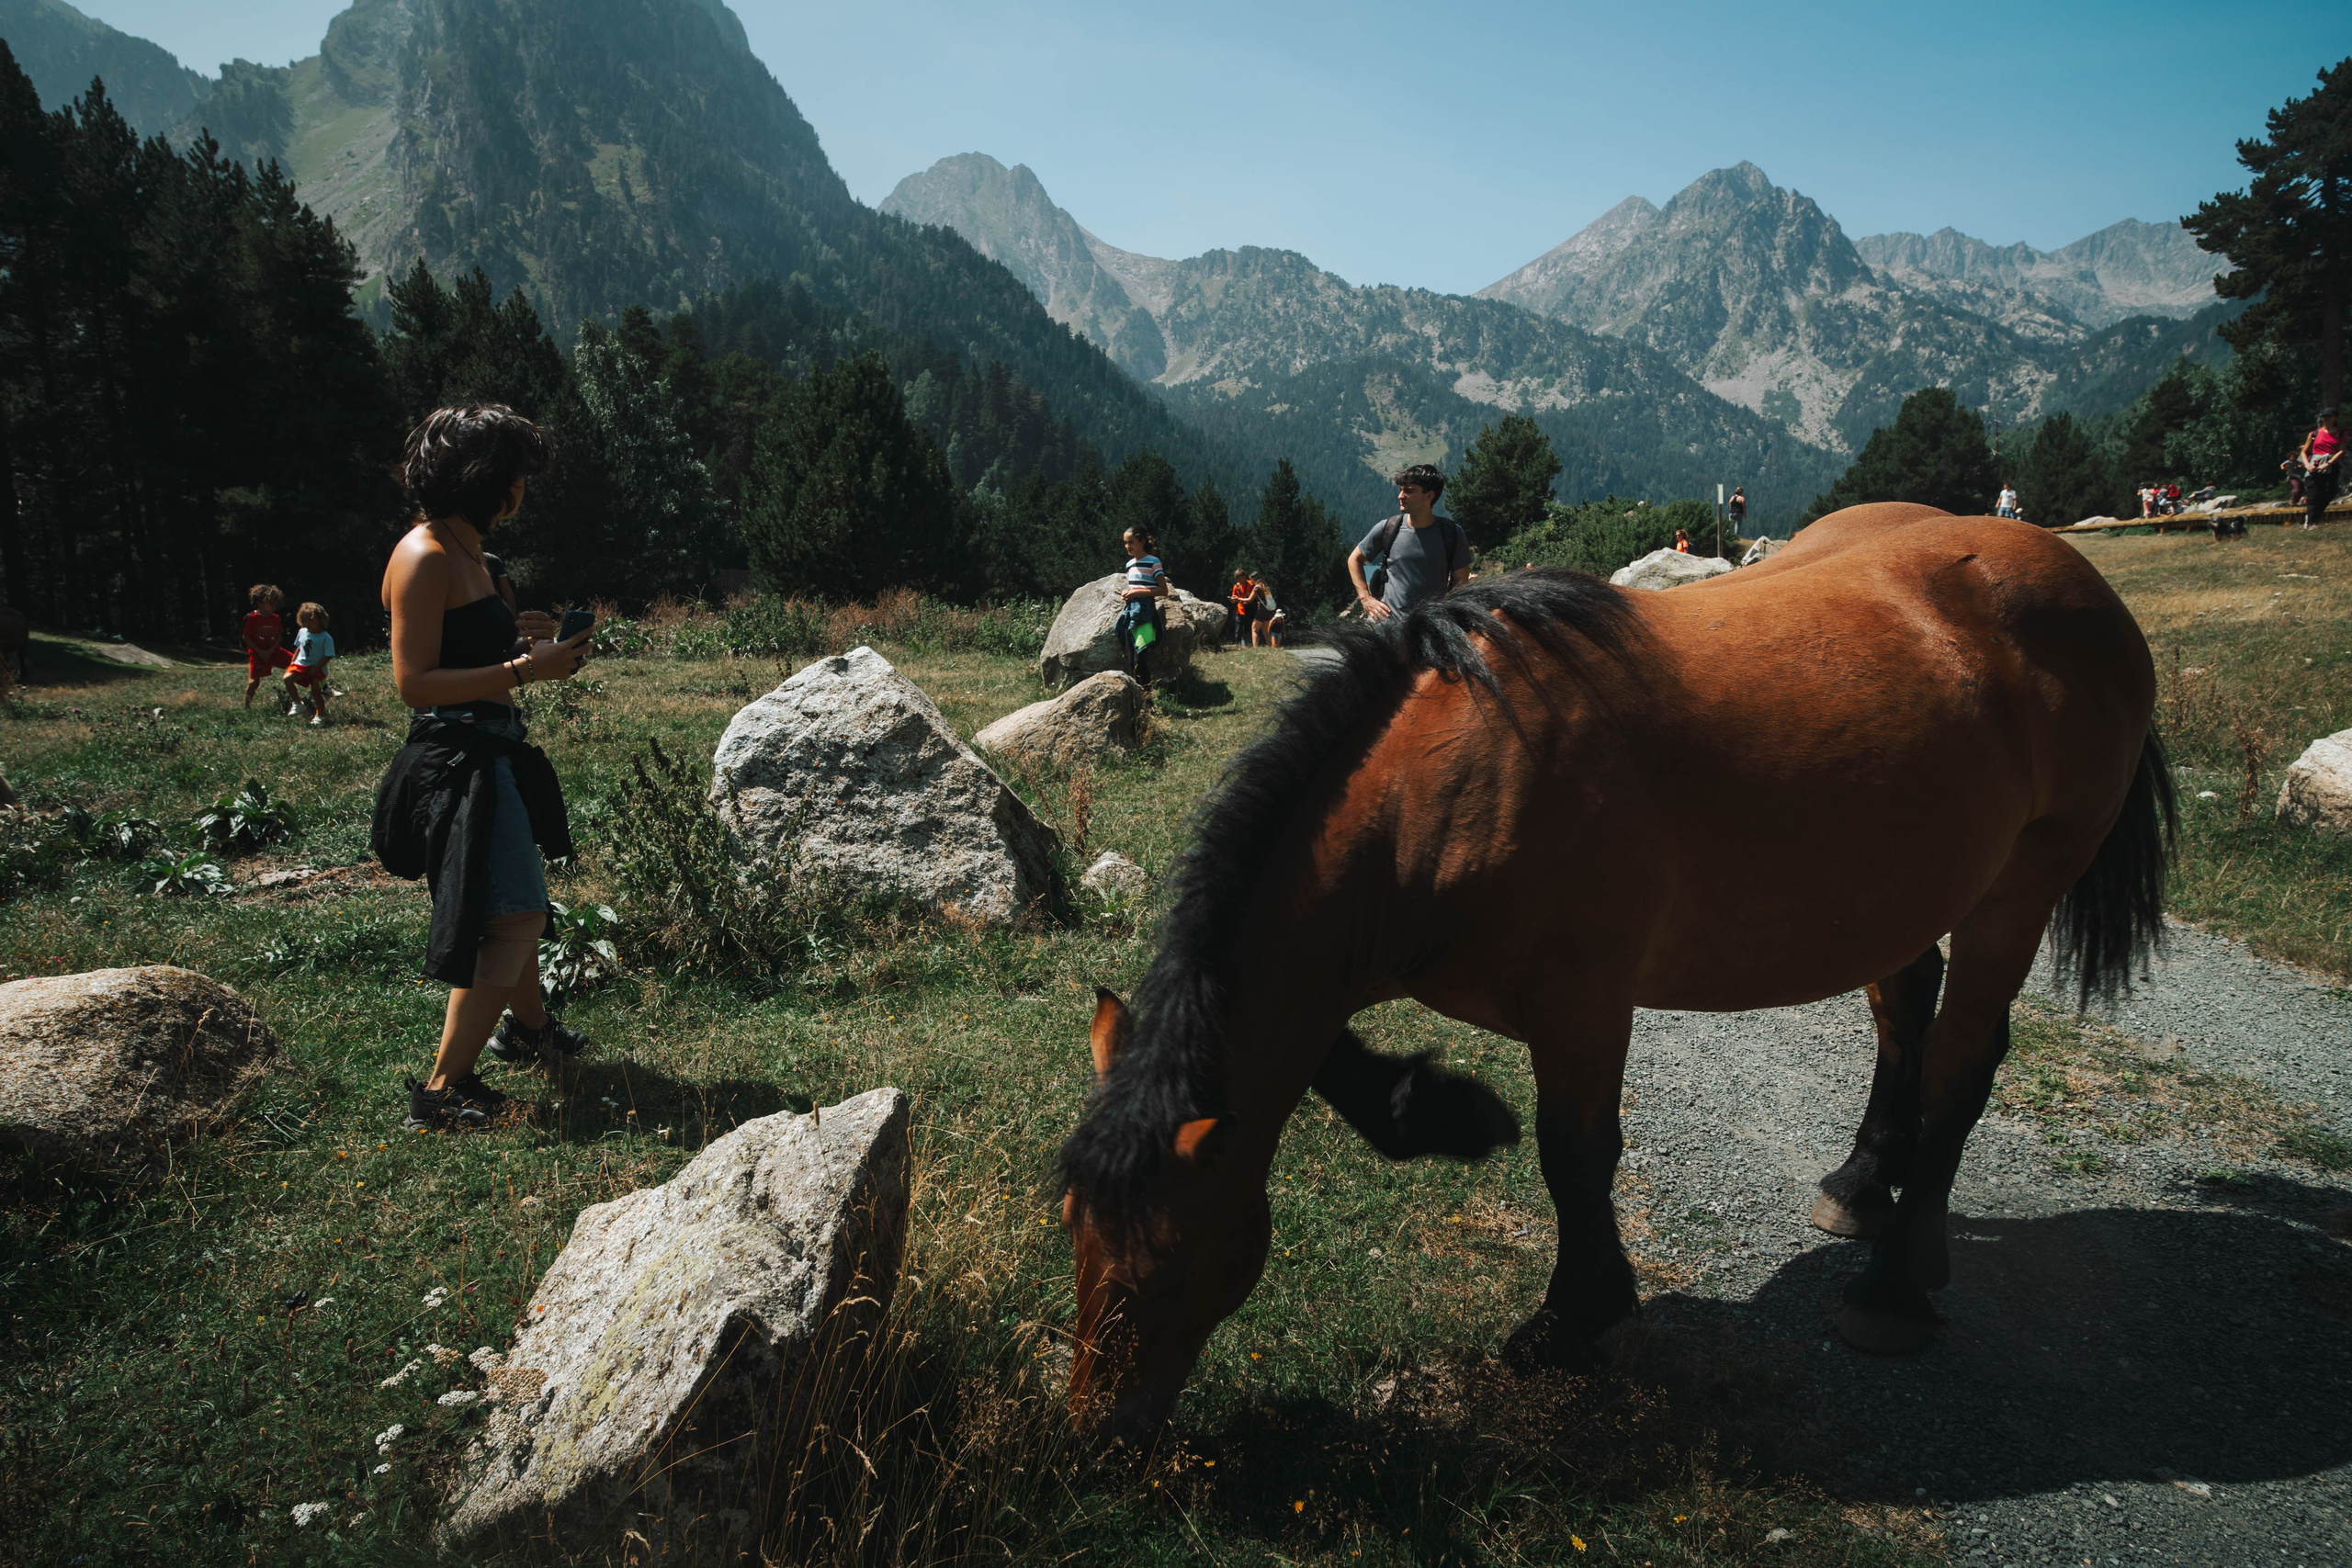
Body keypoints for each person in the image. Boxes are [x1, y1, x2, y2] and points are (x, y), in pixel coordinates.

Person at [372, 404, 594, 1134]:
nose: (522, 488)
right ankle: (442, 1091)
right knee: (518, 912)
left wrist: (527, 642)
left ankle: (527, 1031)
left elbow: (469, 649)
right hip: (456, 760)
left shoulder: (474, 557)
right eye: (516, 474)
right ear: (487, 480)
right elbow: (415, 682)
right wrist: (525, 671)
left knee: (509, 900)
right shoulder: (425, 555)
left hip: (493, 748)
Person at [1348, 464, 1470, 621]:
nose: (1401, 496)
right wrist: (1366, 599)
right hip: (1388, 626)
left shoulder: (1451, 533)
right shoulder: (1388, 528)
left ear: (1429, 496)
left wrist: (1449, 610)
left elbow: (1461, 582)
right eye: (1401, 489)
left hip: (1432, 628)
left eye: (1409, 491)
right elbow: (1354, 560)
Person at [1118, 526, 1170, 685]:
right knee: (1130, 659)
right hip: (1131, 612)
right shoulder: (1129, 564)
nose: (1128, 546)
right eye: (1125, 543)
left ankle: (1147, 701)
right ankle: (1134, 701)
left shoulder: (1153, 562)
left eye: (1131, 542)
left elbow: (1163, 590)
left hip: (1145, 614)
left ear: (1141, 541)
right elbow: (1133, 586)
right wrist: (1127, 593)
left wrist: (1137, 592)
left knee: (1141, 658)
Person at [280, 603, 336, 727]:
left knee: (316, 691)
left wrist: (317, 668)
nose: (307, 624)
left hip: (318, 668)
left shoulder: (326, 637)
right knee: (287, 678)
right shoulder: (302, 632)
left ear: (321, 619)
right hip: (301, 665)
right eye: (304, 620)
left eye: (310, 620)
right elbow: (299, 647)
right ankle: (298, 703)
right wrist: (293, 661)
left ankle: (320, 715)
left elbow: (328, 655)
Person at [242, 584, 292, 708]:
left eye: (275, 604)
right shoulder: (251, 618)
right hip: (257, 654)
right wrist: (260, 651)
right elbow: (246, 637)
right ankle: (247, 706)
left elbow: (279, 637)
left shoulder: (275, 618)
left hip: (274, 652)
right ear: (259, 602)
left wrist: (270, 651)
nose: (274, 607)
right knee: (254, 682)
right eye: (271, 604)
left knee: (296, 664)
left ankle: (299, 699)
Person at [2300, 407, 2343, 530]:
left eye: (2329, 416)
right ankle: (2311, 523)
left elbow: (2341, 451)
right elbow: (2303, 452)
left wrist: (2328, 463)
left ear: (2335, 418)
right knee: (2314, 494)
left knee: (2330, 492)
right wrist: (2307, 465)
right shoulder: (2314, 434)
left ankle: (2313, 517)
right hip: (2315, 465)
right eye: (2324, 417)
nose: (2326, 419)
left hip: (2331, 465)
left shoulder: (2340, 434)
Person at [482, 550, 518, 616]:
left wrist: (514, 620)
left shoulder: (492, 561)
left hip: (492, 611)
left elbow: (506, 590)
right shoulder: (459, 563)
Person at [1228, 570, 1254, 645]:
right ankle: (1237, 645)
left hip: (1249, 609)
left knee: (1248, 629)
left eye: (1240, 579)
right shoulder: (1236, 587)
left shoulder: (1250, 584)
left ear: (1244, 577)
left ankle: (1249, 645)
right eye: (1237, 579)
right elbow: (1234, 600)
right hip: (1240, 610)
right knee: (1238, 630)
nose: (1239, 581)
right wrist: (1232, 600)